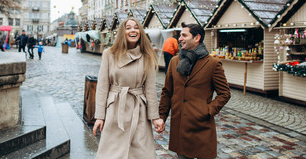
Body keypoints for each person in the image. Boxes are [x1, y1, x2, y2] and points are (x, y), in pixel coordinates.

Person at [92, 17, 164, 159]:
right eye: (128, 27)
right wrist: (100, 116)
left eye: (136, 27)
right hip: (115, 109)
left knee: (140, 152)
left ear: (141, 32)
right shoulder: (109, 54)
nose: (133, 30)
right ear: (122, 32)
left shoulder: (147, 56)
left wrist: (155, 117)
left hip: (138, 110)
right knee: (111, 153)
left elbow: (150, 90)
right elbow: (102, 87)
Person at [158, 23, 231, 159]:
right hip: (180, 127)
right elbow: (167, 92)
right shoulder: (174, 62)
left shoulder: (212, 64)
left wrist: (208, 110)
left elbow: (225, 94)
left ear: (197, 38)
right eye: (180, 35)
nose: (180, 39)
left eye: (184, 35)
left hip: (201, 127)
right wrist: (162, 117)